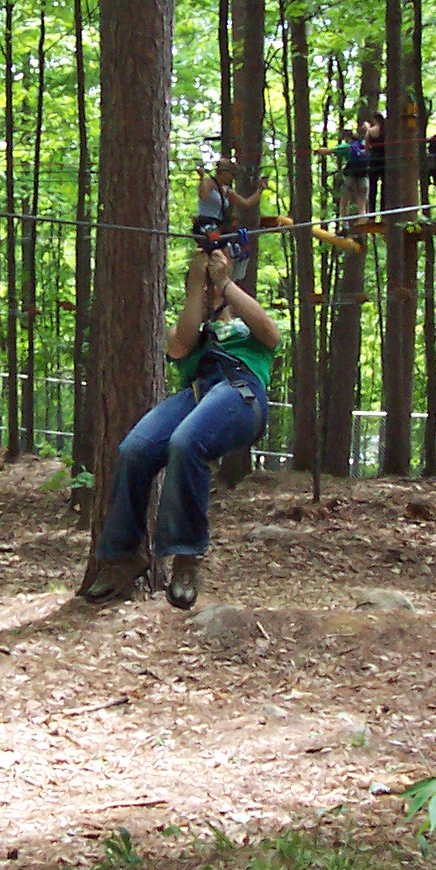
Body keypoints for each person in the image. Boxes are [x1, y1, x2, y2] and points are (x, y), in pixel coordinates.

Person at [83, 247, 282, 610]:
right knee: (135, 450)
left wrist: (226, 283)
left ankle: (186, 557)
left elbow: (271, 334)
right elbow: (179, 345)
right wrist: (196, 289)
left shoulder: (247, 327)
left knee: (186, 442)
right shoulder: (192, 327)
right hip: (197, 392)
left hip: (241, 392)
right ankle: (123, 556)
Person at [194, 159, 265, 234]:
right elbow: (203, 195)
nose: (232, 178)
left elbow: (246, 203)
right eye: (232, 174)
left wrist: (260, 189)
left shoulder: (227, 191)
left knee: (230, 240)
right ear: (223, 172)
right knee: (214, 238)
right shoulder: (208, 182)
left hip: (218, 224)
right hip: (205, 223)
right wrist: (202, 177)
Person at [334, 120, 373, 225]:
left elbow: (329, 151)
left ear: (346, 138)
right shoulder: (363, 144)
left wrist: (318, 151)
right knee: (362, 200)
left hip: (350, 176)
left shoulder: (346, 146)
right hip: (364, 175)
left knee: (344, 200)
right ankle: (362, 220)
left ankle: (344, 223)